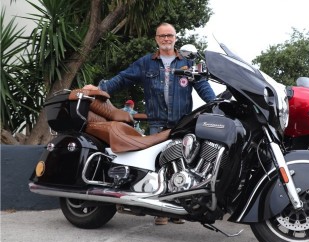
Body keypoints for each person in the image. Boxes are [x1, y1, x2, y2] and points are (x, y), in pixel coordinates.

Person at [83, 22, 216, 225]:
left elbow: (203, 85)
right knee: (157, 164)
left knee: (180, 163)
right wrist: (100, 88)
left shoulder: (187, 63)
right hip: (157, 121)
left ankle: (175, 208)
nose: (166, 39)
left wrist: (215, 104)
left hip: (181, 122)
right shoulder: (146, 63)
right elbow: (123, 78)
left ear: (175, 38)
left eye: (169, 35)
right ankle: (159, 211)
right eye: (162, 36)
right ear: (156, 39)